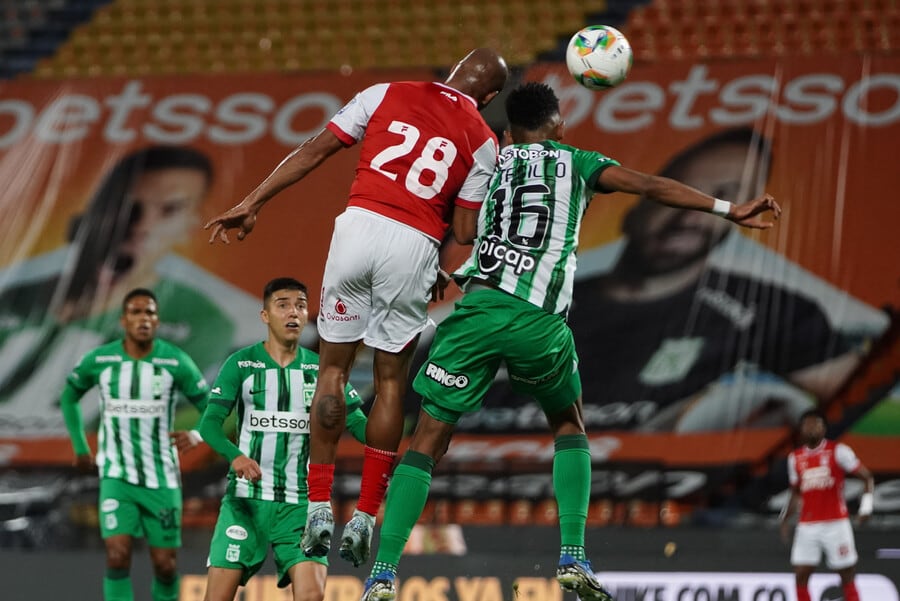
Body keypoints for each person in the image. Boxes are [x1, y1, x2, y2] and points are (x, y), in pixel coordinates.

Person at [359, 82, 780, 601]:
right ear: (559, 126)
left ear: (509, 132)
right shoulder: (577, 161)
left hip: (477, 313)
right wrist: (727, 208)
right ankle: (573, 555)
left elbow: (463, 232)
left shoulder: (488, 160)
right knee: (567, 423)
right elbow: (647, 185)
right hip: (538, 321)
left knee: (426, 440)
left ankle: (382, 574)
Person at [204, 48, 510, 566]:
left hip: (358, 228)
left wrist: (253, 201)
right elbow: (462, 231)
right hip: (414, 246)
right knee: (390, 381)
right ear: (491, 96)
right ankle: (365, 514)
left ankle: (319, 507)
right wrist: (434, 253)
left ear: (455, 67)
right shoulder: (483, 140)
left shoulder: (385, 92)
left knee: (331, 371)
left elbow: (313, 149)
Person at [448, 127, 870, 434]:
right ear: (637, 205)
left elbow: (859, 398)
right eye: (685, 190)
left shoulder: (774, 311)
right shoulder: (543, 297)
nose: (687, 215)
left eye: (725, 191)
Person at [0, 145, 261, 442]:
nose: (140, 226)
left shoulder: (202, 322)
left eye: (170, 210)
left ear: (192, 224)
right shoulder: (11, 297)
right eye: (127, 207)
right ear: (95, 210)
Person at [197, 277, 368, 601]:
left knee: (311, 596)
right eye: (283, 305)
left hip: (301, 505)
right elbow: (210, 426)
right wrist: (236, 456)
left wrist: (388, 440)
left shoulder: (323, 371)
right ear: (265, 315)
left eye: (301, 306)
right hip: (246, 502)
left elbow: (358, 424)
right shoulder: (241, 363)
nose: (293, 312)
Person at [60, 288, 211, 601]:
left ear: (157, 321)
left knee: (166, 565)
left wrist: (195, 434)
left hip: (162, 479)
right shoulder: (101, 359)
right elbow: (70, 397)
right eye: (136, 312)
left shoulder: (175, 360)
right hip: (116, 476)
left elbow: (213, 406)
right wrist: (79, 447)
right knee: (117, 555)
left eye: (150, 313)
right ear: (123, 320)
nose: (144, 319)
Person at [779, 409, 874, 601]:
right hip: (807, 525)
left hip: (836, 524)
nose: (812, 428)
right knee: (800, 574)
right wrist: (785, 518)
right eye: (808, 424)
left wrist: (866, 507)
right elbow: (796, 492)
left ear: (824, 429)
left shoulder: (838, 451)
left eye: (817, 424)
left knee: (846, 573)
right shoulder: (794, 458)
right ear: (801, 429)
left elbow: (867, 477)